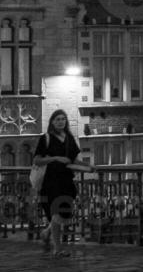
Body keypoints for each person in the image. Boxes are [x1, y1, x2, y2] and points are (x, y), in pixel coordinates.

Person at [34, 109, 86, 257]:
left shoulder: (69, 138)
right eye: (57, 119)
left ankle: (46, 232)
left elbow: (72, 159)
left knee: (63, 214)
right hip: (51, 182)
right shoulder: (46, 138)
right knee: (56, 214)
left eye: (63, 119)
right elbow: (37, 160)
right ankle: (57, 249)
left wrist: (87, 166)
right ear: (52, 122)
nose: (61, 121)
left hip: (66, 182)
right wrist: (55, 158)